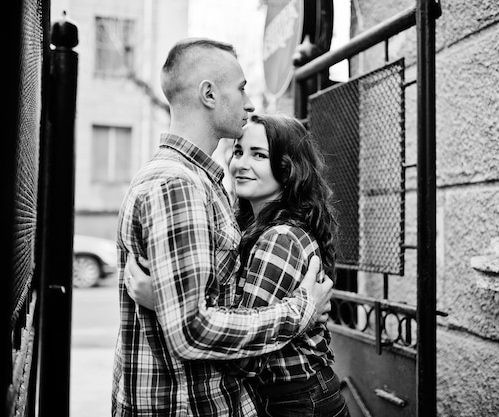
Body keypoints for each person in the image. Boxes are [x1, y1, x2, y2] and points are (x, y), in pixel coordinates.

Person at [112, 37, 333, 417]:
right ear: (209, 94)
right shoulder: (178, 185)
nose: (249, 102)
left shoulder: (203, 185)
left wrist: (165, 302)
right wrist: (303, 310)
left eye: (260, 155)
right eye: (242, 87)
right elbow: (192, 329)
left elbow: (199, 315)